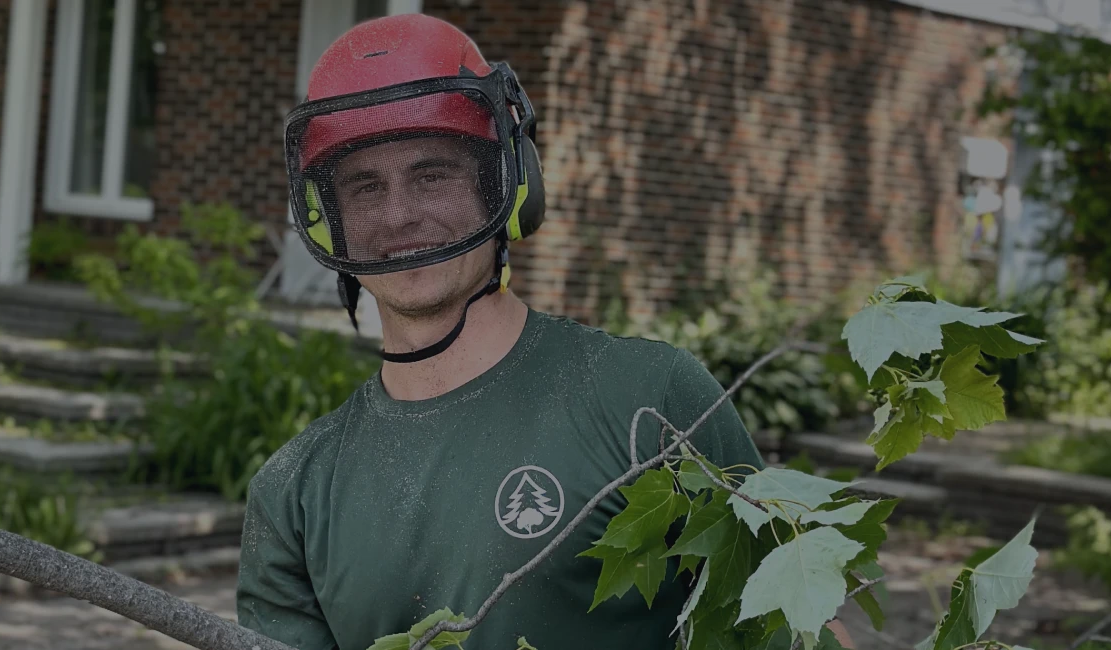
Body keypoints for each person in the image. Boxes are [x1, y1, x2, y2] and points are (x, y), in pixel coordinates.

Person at [236, 13, 846, 650]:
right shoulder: (295, 495)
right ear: (330, 214)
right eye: (364, 184)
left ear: (505, 180)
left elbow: (802, 623)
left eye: (432, 175)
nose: (398, 216)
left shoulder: (649, 400)